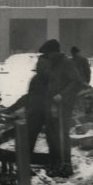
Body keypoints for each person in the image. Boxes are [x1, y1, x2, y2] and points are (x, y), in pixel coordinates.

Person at [36, 39, 83, 177]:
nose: (47, 57)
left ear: (54, 52)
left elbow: (77, 82)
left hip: (63, 105)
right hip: (51, 105)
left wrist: (62, 95)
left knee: (61, 135)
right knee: (51, 136)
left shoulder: (66, 63)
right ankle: (55, 164)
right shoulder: (51, 64)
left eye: (48, 54)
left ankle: (66, 165)